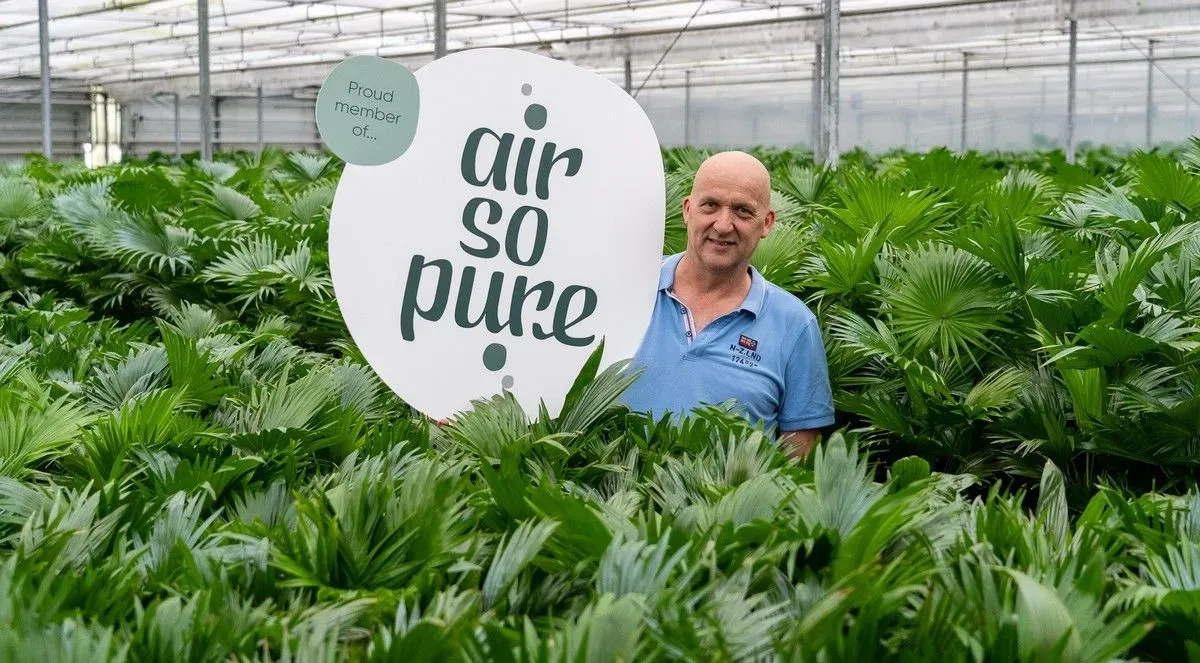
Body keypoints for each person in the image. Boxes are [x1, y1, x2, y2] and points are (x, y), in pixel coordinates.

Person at [621, 151, 835, 458]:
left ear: (767, 222)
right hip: (609, 500)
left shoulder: (795, 325)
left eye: (742, 211)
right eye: (710, 205)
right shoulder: (625, 288)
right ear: (687, 209)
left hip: (725, 505)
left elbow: (796, 464)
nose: (723, 225)